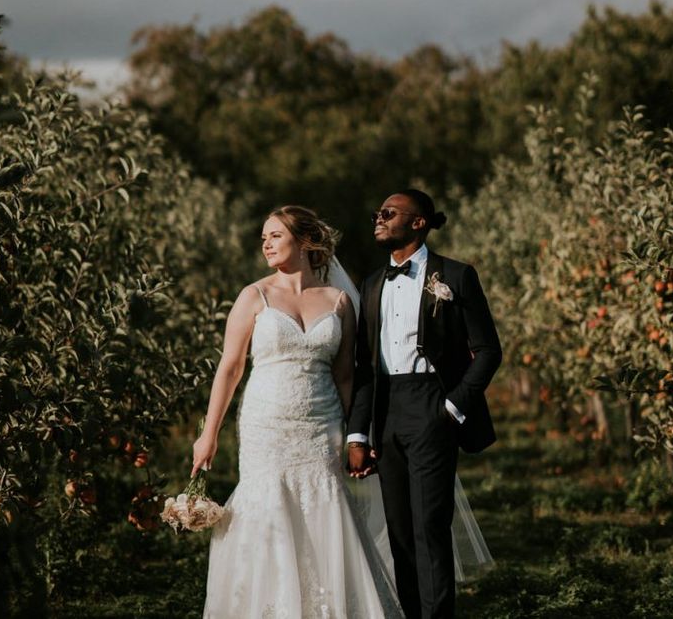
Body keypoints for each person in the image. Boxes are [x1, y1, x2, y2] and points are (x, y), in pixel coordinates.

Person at [192, 206, 404, 618]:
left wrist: (359, 434)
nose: (266, 244)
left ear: (305, 241)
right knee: (269, 506)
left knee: (323, 507)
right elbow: (231, 367)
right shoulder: (254, 295)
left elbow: (346, 375)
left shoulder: (339, 300)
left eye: (275, 235)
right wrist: (209, 433)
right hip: (265, 423)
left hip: (322, 424)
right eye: (264, 238)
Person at [347, 189, 502, 619]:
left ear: (418, 222)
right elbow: (364, 366)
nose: (378, 218)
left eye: (388, 213)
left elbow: (489, 350)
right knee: (399, 532)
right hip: (387, 410)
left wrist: (452, 409)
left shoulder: (456, 275)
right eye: (377, 212)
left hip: (433, 404)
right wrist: (358, 432)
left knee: (430, 529)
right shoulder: (371, 284)